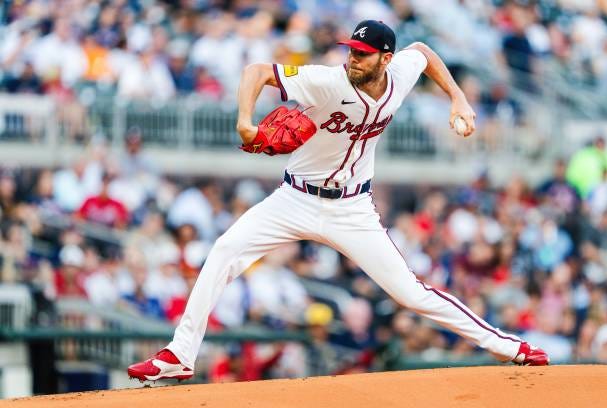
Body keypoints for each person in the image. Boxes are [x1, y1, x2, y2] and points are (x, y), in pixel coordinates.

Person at [128, 20, 549, 382]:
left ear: (386, 59)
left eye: (364, 54)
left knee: (410, 293)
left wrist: (457, 97)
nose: (354, 59)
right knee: (224, 251)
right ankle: (180, 355)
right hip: (294, 199)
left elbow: (422, 51)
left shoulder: (399, 75)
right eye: (352, 50)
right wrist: (245, 121)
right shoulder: (326, 80)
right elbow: (257, 71)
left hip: (352, 209)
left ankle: (506, 346)